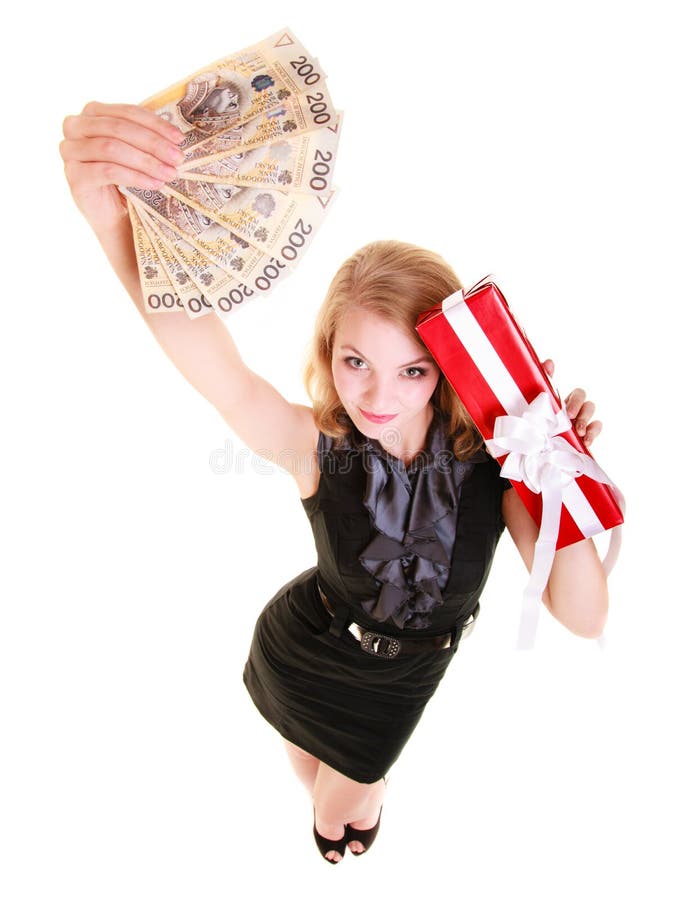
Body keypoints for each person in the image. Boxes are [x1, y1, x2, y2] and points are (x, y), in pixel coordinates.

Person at [60, 102, 609, 864]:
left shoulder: (497, 462)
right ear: (330, 350)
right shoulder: (313, 444)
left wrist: (555, 473)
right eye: (357, 363)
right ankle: (348, 807)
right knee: (323, 788)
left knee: (337, 805)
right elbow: (211, 362)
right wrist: (109, 219)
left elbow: (583, 617)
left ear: (445, 367)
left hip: (404, 680)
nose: (377, 397)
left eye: (411, 370)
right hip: (301, 645)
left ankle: (349, 810)